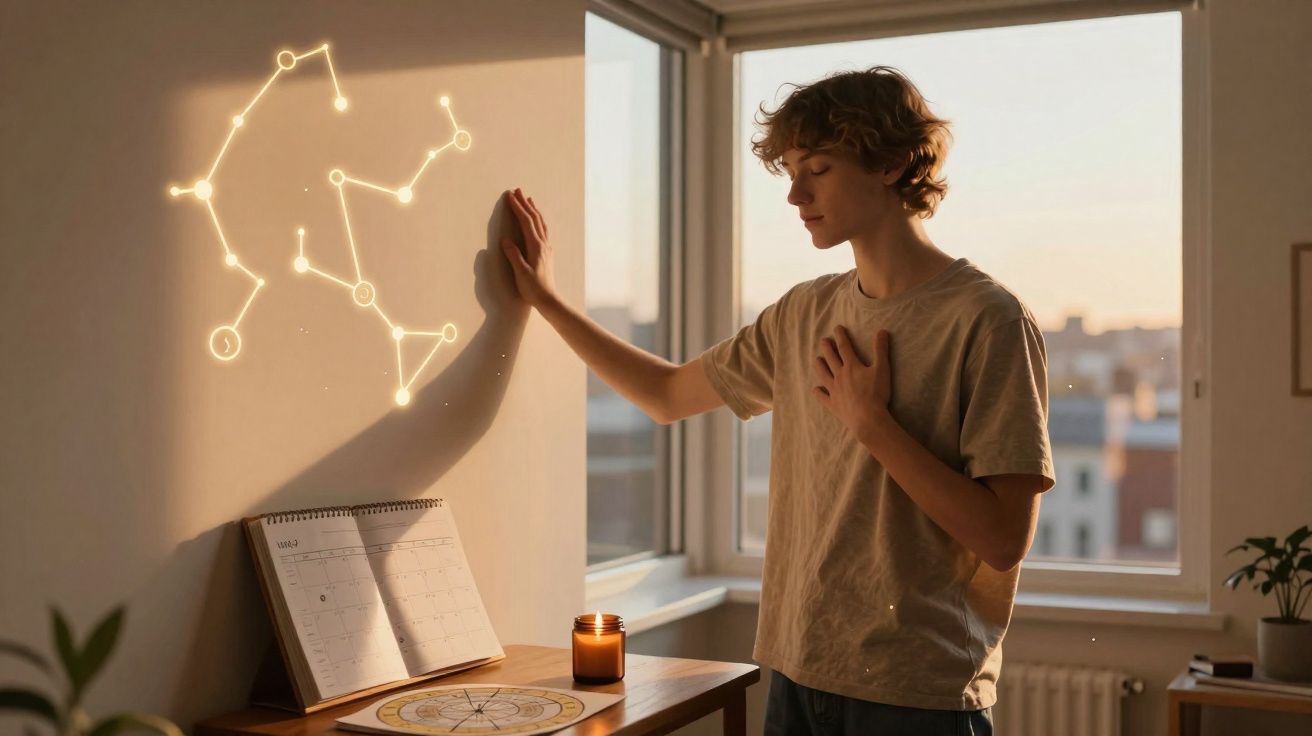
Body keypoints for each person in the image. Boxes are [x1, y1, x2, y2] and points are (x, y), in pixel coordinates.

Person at [499, 65, 1055, 736]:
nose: (794, 194)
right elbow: (668, 394)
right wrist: (547, 303)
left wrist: (872, 425)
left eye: (817, 169)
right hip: (796, 673)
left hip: (915, 696)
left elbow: (1002, 539)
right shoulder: (803, 312)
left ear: (892, 163)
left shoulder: (988, 320)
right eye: (790, 170)